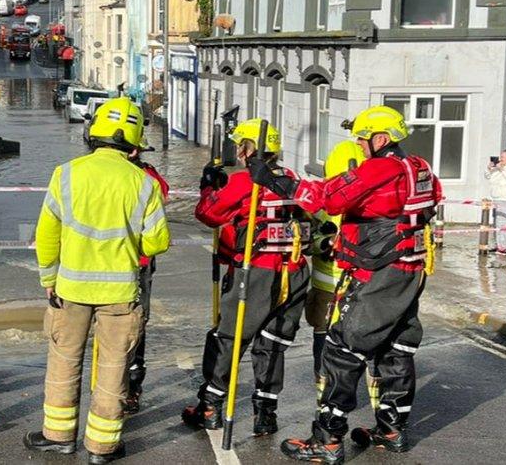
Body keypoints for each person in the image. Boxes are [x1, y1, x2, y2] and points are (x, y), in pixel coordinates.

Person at [249, 106, 442, 464]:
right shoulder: (419, 167)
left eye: (362, 137)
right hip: (409, 270)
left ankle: (328, 439)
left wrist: (274, 180)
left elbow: (329, 198)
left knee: (343, 347)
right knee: (395, 346)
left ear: (380, 138)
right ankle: (391, 427)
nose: (359, 144)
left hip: (379, 272)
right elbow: (422, 203)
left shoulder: (380, 168)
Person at [23, 97, 170, 464]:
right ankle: (102, 447)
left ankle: (57, 436)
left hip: (69, 289)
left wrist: (48, 277)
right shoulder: (143, 183)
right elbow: (158, 242)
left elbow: (46, 235)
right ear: (134, 141)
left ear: (95, 131)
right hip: (120, 292)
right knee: (114, 366)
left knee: (64, 360)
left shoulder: (66, 173)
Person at [181, 118, 310, 437]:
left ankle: (210, 406)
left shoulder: (245, 182)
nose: (237, 150)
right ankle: (265, 415)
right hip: (294, 271)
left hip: (256, 271)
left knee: (228, 338)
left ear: (248, 149)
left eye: (241, 145)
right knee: (272, 343)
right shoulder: (290, 178)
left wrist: (208, 186)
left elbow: (207, 214)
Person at [305, 141, 366, 401]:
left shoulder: (324, 201)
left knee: (333, 341)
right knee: (339, 339)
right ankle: (328, 391)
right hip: (341, 286)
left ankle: (327, 396)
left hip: (337, 287)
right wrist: (326, 243)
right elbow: (308, 240)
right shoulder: (371, 200)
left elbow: (307, 240)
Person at [125, 138, 170, 415]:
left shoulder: (148, 176)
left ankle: (130, 386)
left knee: (135, 323)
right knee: (131, 323)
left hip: (135, 262)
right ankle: (121, 384)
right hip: (125, 261)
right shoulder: (146, 176)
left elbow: (162, 193)